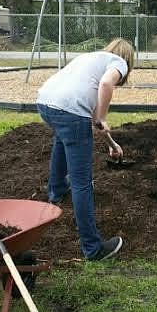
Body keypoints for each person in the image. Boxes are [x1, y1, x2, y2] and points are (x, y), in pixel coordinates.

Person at [35, 38, 135, 261]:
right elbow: (106, 86)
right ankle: (93, 248)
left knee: (63, 139)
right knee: (82, 183)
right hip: (69, 111)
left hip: (45, 104)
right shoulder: (119, 62)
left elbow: (91, 121)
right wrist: (102, 117)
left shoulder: (90, 59)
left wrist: (112, 145)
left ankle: (57, 191)